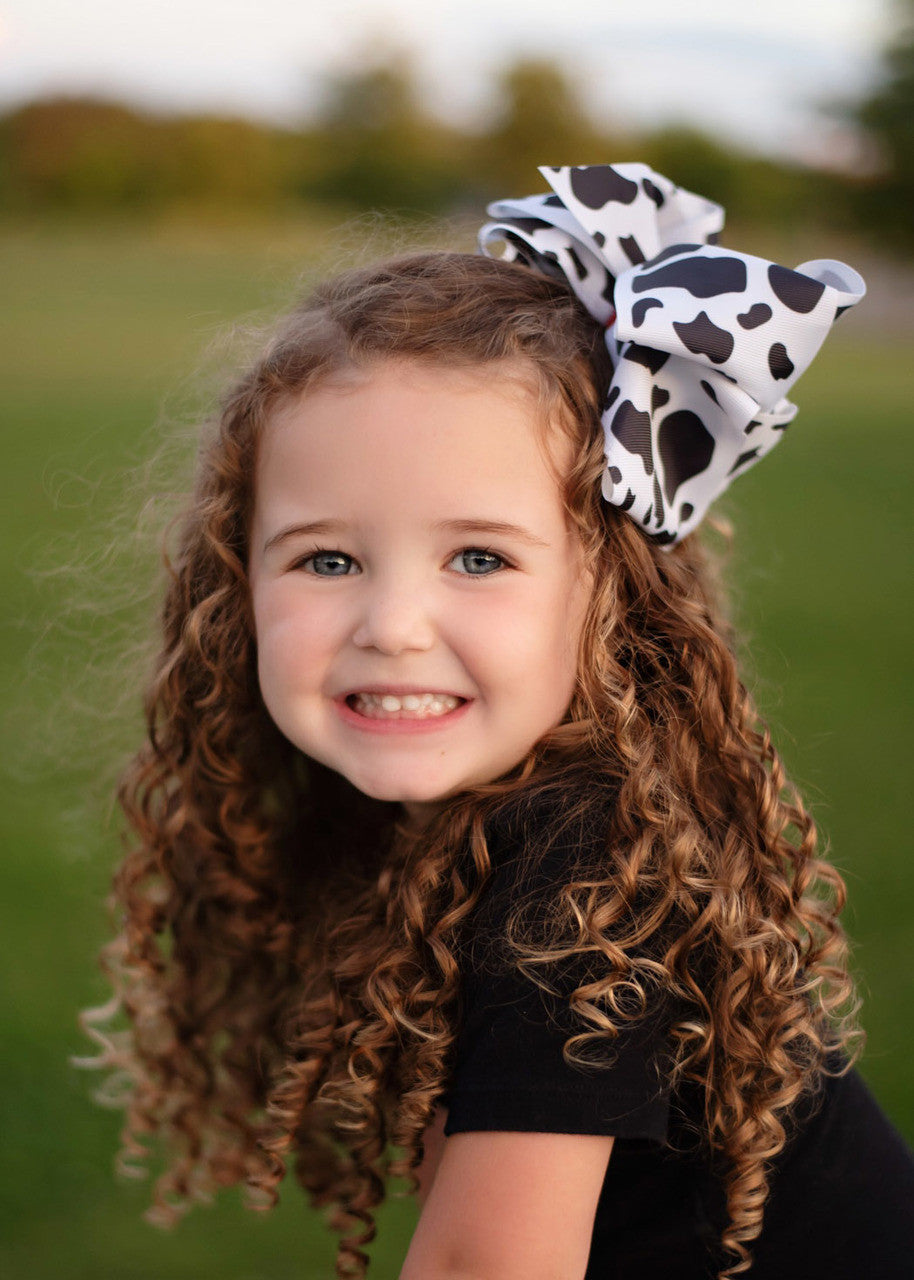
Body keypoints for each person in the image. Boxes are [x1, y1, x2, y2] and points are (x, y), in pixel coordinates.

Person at [76, 161, 914, 1280]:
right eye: (327, 557)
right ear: (236, 580)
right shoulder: (463, 810)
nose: (395, 624)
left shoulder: (585, 867)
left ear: (606, 588)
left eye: (478, 556)